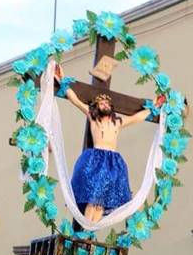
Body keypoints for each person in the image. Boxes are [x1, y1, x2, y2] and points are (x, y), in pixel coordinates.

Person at [58, 64, 153, 224]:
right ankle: (87, 227)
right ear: (96, 107)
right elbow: (75, 100)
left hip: (113, 161)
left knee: (102, 198)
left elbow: (137, 118)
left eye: (107, 104)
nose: (105, 105)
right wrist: (62, 81)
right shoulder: (94, 119)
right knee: (93, 197)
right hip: (96, 158)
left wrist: (154, 108)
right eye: (102, 103)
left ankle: (92, 229)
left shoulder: (117, 122)